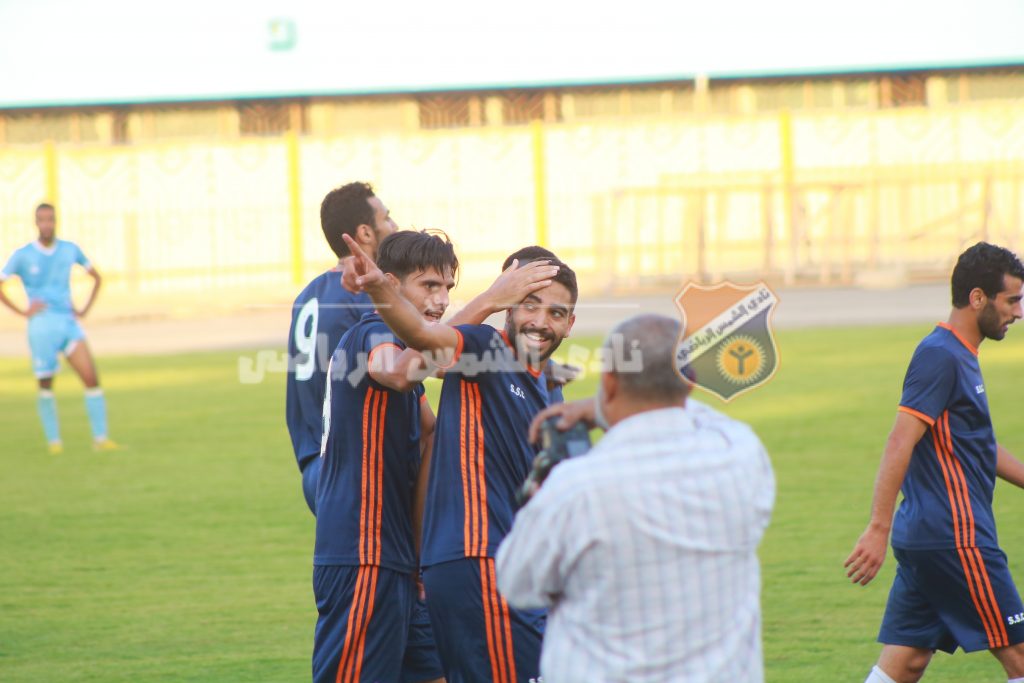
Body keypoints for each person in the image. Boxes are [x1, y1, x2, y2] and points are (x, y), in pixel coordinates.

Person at [314, 230, 559, 683]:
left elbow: (431, 435)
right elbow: (402, 371)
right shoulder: (372, 334)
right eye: (429, 285)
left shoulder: (405, 355)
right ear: (389, 284)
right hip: (362, 551)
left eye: (448, 288)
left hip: (403, 558)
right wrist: (489, 300)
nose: (442, 299)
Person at [495, 313, 775, 683]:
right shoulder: (739, 455)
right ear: (689, 387)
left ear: (609, 383)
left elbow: (517, 583)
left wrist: (596, 410)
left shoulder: (576, 487)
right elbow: (710, 415)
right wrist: (606, 407)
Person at [845, 242, 1024, 683]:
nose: (1018, 312)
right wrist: (876, 527)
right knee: (1020, 655)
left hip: (929, 535)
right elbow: (898, 441)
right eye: (1012, 300)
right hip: (955, 536)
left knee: (905, 662)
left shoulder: (960, 353)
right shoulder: (941, 356)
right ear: (978, 297)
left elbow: (978, 444)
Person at [286, 182, 397, 515]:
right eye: (387, 218)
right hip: (352, 468)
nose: (394, 225)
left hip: (314, 467)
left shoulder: (308, 294)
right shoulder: (365, 296)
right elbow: (410, 365)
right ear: (365, 232)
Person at [0, 203, 117, 453]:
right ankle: (54, 442)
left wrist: (84, 310)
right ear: (35, 223)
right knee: (45, 384)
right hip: (41, 326)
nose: (46, 224)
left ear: (56, 221)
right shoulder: (23, 255)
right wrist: (23, 311)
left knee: (91, 378)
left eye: (50, 219)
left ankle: (101, 439)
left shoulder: (69, 249)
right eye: (42, 220)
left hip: (68, 323)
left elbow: (97, 276)